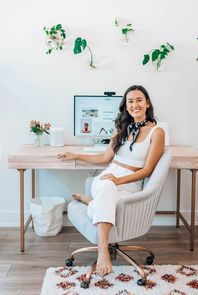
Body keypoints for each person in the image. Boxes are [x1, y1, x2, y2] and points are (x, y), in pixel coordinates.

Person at [58, 85, 165, 275]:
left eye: (139, 100)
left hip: (129, 184)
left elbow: (147, 170)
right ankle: (103, 251)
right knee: (106, 186)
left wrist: (119, 181)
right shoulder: (121, 128)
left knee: (106, 195)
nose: (135, 105)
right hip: (107, 178)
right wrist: (75, 155)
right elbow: (104, 158)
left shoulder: (157, 132)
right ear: (126, 106)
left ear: (147, 103)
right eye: (130, 101)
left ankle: (91, 203)